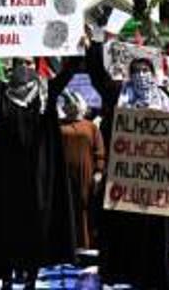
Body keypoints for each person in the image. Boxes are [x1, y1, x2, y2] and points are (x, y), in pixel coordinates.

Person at [87, 40, 169, 290]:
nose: (141, 75)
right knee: (123, 226)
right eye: (136, 71)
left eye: (145, 70)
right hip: (125, 176)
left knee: (154, 229)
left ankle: (153, 272)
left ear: (154, 73)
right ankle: (122, 270)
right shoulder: (118, 94)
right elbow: (97, 75)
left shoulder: (165, 99)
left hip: (156, 179)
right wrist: (92, 47)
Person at [0, 55, 77, 285]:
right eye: (19, 63)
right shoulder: (1, 92)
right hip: (8, 173)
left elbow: (70, 70)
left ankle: (31, 275)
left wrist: (82, 47)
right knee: (8, 222)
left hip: (39, 172)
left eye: (29, 63)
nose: (24, 68)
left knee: (36, 222)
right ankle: (7, 276)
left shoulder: (46, 91)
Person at [57, 91, 104, 252]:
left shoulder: (91, 127)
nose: (72, 107)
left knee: (85, 206)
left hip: (86, 174)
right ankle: (66, 243)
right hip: (64, 175)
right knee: (66, 207)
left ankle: (85, 243)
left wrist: (98, 173)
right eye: (69, 104)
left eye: (75, 104)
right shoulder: (58, 125)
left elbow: (99, 152)